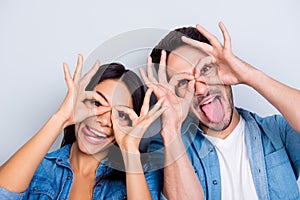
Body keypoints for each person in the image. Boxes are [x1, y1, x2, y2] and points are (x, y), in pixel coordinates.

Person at [140, 22, 300, 199]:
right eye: (183, 83)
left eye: (206, 69)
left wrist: (249, 75)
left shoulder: (276, 131)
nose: (200, 89)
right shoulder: (164, 150)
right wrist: (170, 129)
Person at [0, 54, 165, 199]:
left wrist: (130, 150)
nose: (104, 120)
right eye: (96, 102)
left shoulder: (141, 176)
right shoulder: (37, 167)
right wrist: (61, 118)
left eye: (121, 115)